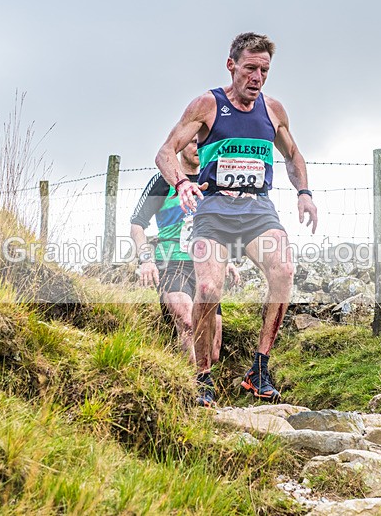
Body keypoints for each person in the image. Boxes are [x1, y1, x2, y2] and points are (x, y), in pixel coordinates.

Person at [154, 32, 318, 405]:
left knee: (284, 270)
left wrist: (304, 193)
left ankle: (259, 368)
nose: (257, 77)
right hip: (214, 209)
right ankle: (202, 377)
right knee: (209, 289)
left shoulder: (273, 110)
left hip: (257, 209)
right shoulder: (207, 105)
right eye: (250, 68)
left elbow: (294, 157)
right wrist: (180, 182)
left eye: (264, 70)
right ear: (232, 66)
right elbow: (165, 151)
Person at [130, 139, 239, 406]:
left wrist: (228, 260)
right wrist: (146, 260)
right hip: (172, 262)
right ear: (180, 147)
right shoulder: (163, 182)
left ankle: (200, 384)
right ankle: (195, 394)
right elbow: (137, 224)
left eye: (202, 143)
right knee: (189, 323)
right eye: (192, 141)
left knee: (212, 350)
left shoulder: (212, 184)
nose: (197, 147)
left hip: (207, 267)